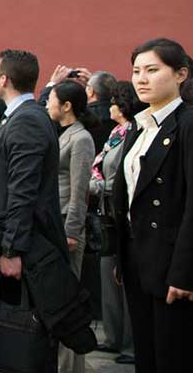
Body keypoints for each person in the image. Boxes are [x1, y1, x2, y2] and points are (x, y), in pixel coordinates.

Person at [0, 49, 67, 370]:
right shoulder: (27, 115)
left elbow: (22, 191)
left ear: (4, 78)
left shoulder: (27, 120)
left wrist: (12, 249)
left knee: (27, 339)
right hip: (25, 243)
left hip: (29, 250)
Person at [113, 38, 193, 373]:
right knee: (146, 353)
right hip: (138, 257)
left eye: (152, 70)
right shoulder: (138, 126)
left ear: (180, 74)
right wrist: (122, 254)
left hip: (171, 261)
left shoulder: (187, 124)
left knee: (171, 356)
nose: (141, 78)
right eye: (136, 71)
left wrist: (185, 271)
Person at [89, 80, 143, 365]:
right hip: (106, 213)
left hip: (119, 212)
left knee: (123, 278)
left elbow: (121, 174)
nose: (107, 106)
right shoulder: (114, 133)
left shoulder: (132, 132)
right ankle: (113, 336)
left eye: (111, 102)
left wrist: (99, 186)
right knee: (108, 275)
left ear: (121, 105)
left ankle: (131, 344)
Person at [46, 81, 96, 373]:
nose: (48, 104)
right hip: (56, 225)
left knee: (68, 304)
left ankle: (71, 367)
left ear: (66, 106)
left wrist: (71, 232)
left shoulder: (81, 139)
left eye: (51, 99)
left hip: (67, 228)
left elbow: (80, 191)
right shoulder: (64, 135)